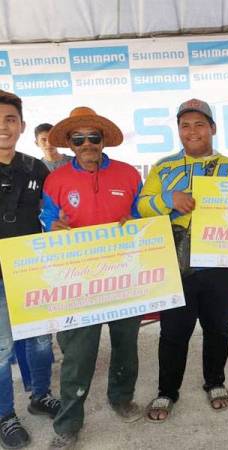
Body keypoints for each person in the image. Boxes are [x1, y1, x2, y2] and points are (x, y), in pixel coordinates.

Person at [40, 107, 143, 449]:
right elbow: (46, 220)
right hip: (78, 281)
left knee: (126, 344)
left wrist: (138, 222)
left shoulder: (129, 175)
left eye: (93, 137)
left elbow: (144, 214)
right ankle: (68, 422)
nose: (87, 144)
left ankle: (121, 397)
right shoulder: (55, 181)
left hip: (125, 276)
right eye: (78, 138)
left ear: (102, 141)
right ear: (69, 143)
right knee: (78, 354)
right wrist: (51, 227)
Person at [138, 99, 228, 422]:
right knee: (173, 331)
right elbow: (141, 206)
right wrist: (168, 199)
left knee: (218, 328)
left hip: (221, 263)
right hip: (176, 261)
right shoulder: (163, 167)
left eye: (200, 124)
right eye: (185, 125)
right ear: (179, 130)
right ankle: (167, 391)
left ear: (212, 128)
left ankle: (215, 382)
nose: (192, 131)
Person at [0, 90, 60, 449]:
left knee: (40, 340)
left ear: (21, 126)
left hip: (30, 270)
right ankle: (5, 414)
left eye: (10, 120)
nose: (3, 127)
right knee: (2, 348)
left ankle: (40, 395)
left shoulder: (34, 167)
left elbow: (49, 213)